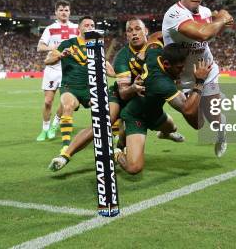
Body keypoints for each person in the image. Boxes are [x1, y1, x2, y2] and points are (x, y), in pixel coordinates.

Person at [47, 18, 177, 172]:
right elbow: (123, 93)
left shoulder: (158, 48)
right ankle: (65, 155)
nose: (134, 33)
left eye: (137, 29)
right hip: (122, 95)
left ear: (146, 31)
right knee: (103, 122)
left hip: (146, 102)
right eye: (130, 31)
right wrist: (133, 88)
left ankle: (159, 135)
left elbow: (169, 32)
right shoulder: (122, 57)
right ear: (126, 35)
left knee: (172, 127)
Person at [162, 0, 233, 157]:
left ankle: (221, 131)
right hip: (181, 79)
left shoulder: (206, 12)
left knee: (214, 120)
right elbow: (202, 34)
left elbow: (210, 34)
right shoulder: (174, 14)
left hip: (206, 71)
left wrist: (220, 21)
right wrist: (222, 18)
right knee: (197, 124)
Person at [115, 44, 211, 174]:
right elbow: (188, 110)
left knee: (173, 128)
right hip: (136, 117)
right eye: (179, 68)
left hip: (154, 112)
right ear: (166, 64)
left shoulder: (155, 53)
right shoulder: (162, 83)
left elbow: (153, 40)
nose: (182, 71)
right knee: (134, 168)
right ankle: (117, 153)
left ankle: (161, 133)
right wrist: (199, 81)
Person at [45, 16, 114, 155]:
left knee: (107, 108)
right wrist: (60, 56)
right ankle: (66, 145)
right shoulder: (67, 44)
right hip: (70, 87)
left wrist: (116, 74)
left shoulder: (96, 46)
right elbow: (48, 60)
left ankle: (114, 141)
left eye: (92, 25)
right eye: (86, 25)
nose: (89, 27)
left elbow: (111, 72)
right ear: (79, 28)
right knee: (68, 105)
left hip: (90, 89)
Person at [36, 0, 79, 141]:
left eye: (66, 10)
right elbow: (40, 47)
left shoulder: (76, 29)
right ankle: (45, 129)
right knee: (48, 102)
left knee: (64, 102)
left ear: (70, 12)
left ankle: (55, 125)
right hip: (52, 68)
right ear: (56, 13)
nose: (64, 12)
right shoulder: (50, 29)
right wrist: (55, 49)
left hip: (68, 70)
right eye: (61, 10)